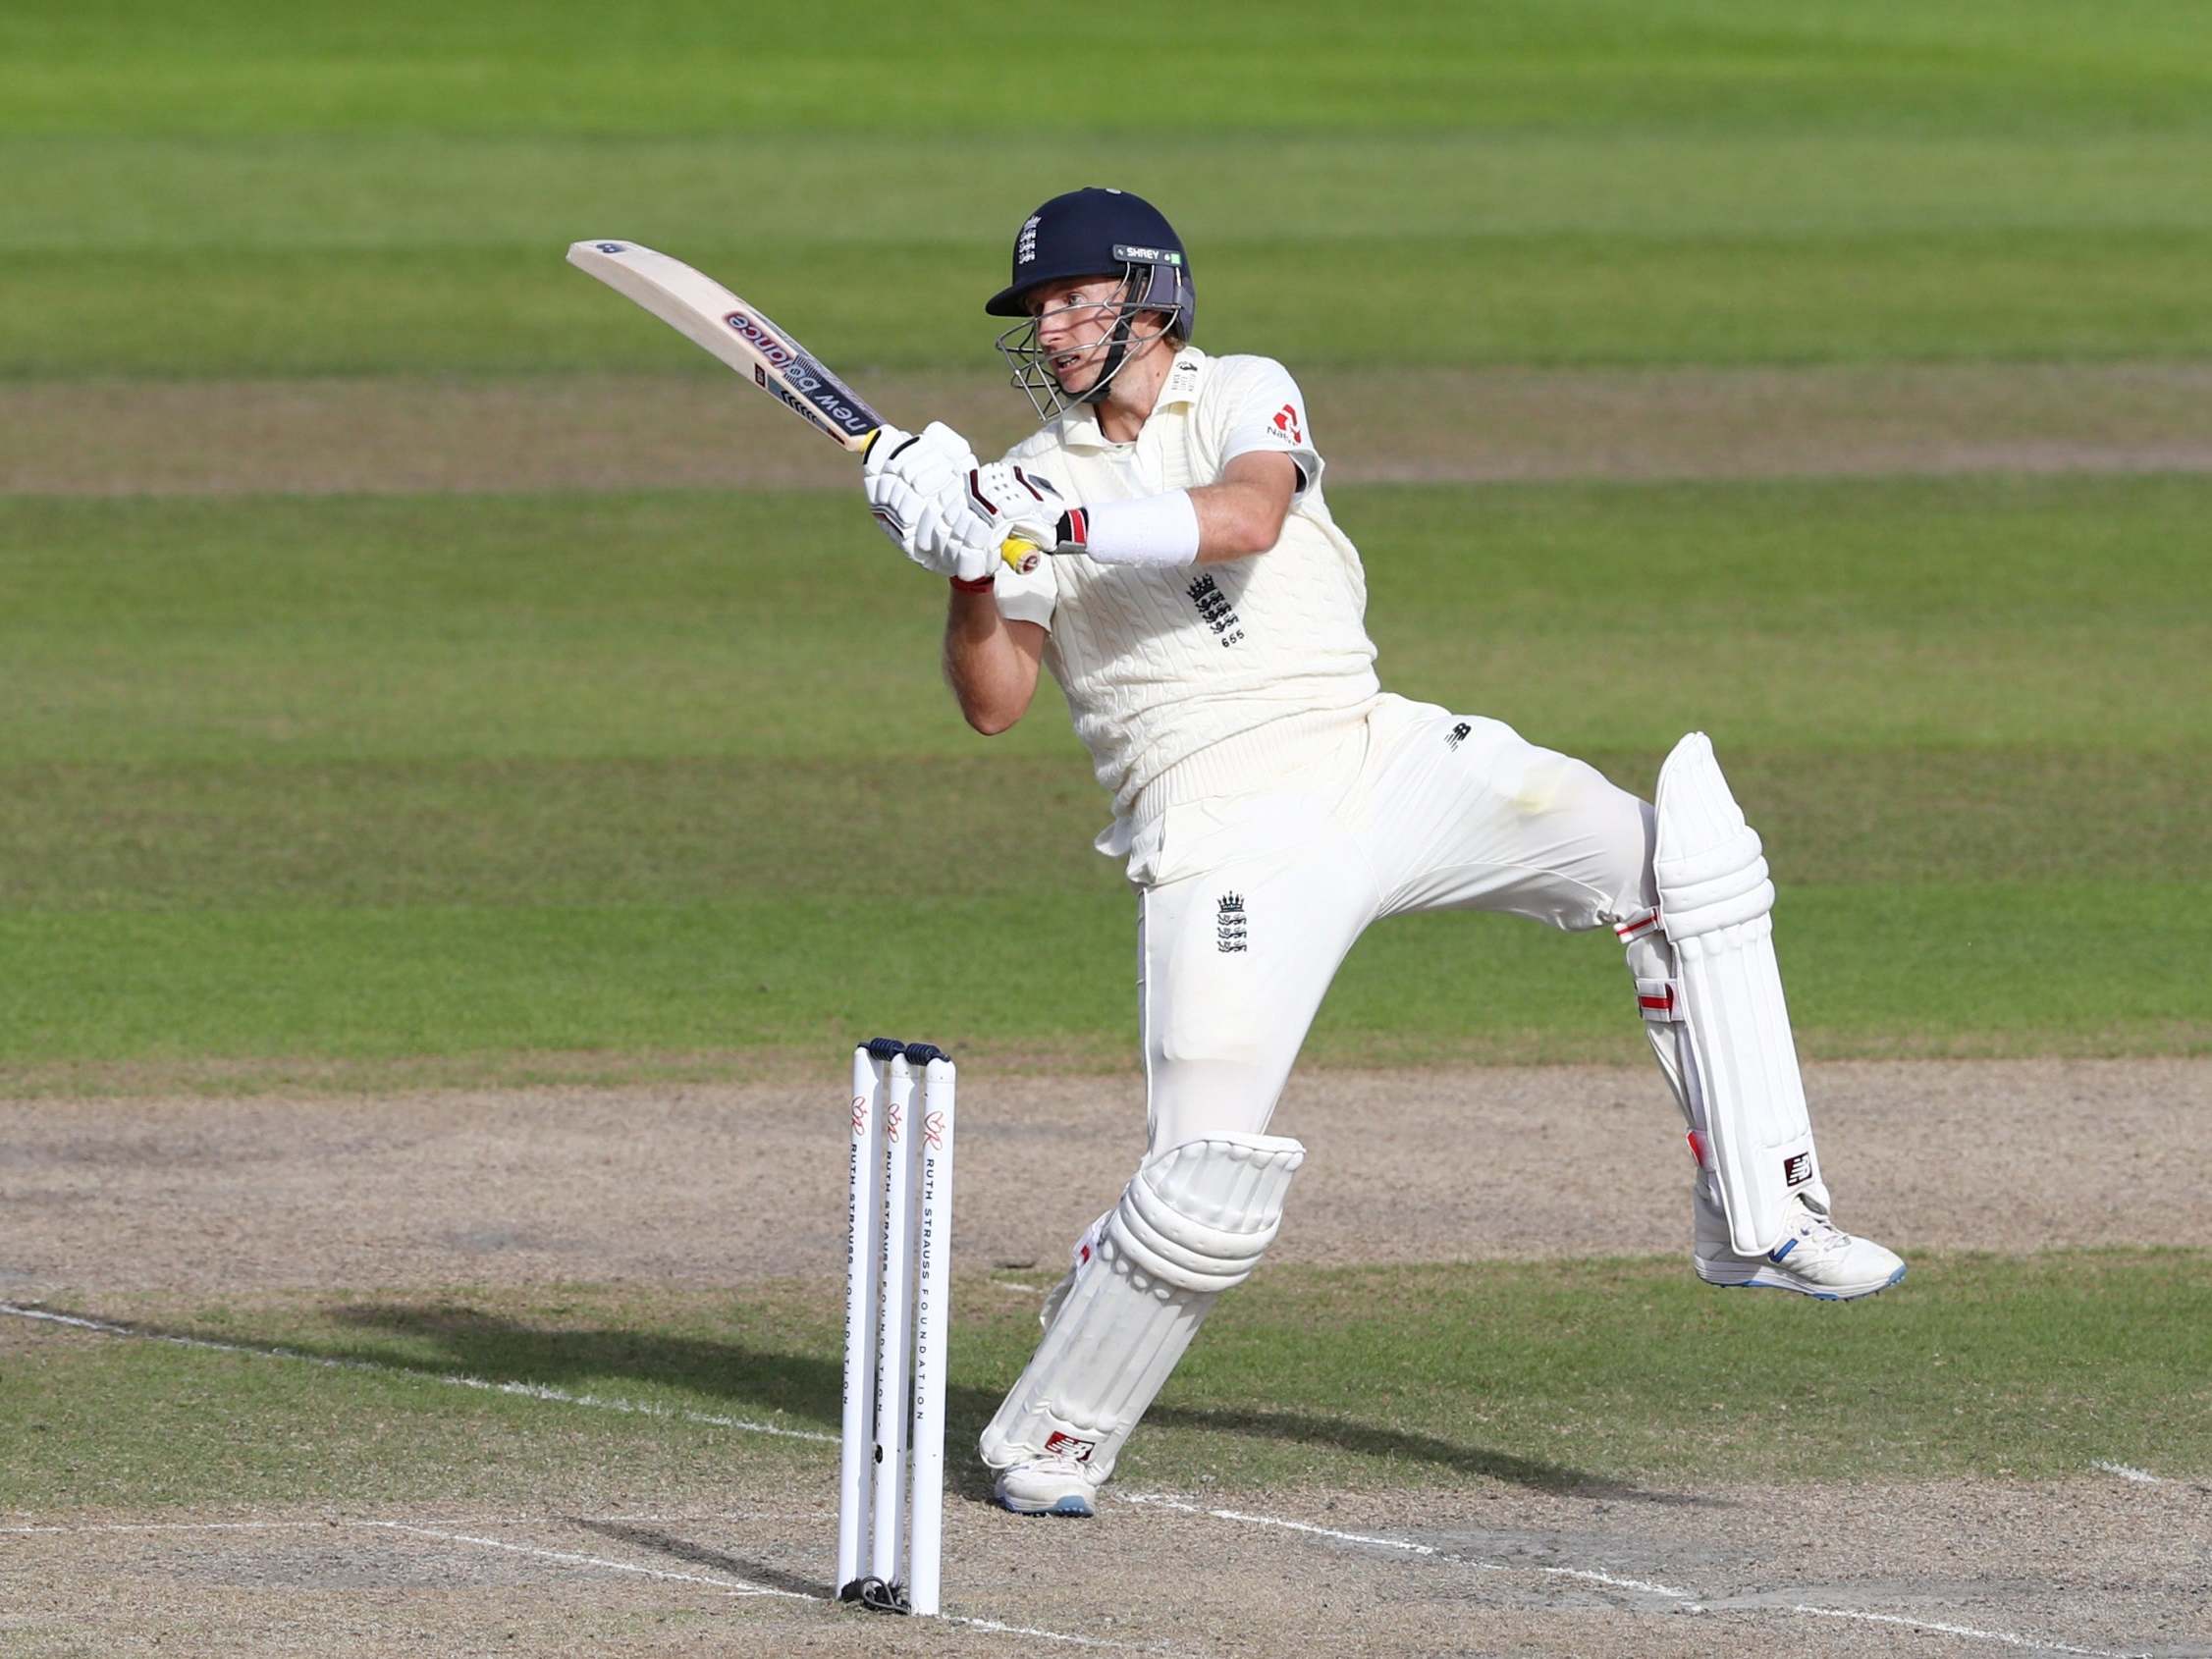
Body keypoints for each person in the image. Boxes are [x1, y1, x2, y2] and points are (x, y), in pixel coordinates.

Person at [857, 187, 1905, 1520]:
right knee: (1201, 1185)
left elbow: (1247, 518)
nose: (1053, 330)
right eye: (1038, 312)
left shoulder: (1239, 390)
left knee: (1672, 868)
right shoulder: (1027, 475)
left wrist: (1042, 524)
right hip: (1221, 824)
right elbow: (994, 702)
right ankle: (1056, 1431)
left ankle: (1763, 1214)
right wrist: (965, 562)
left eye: (1075, 301)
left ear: (1151, 294)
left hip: (1378, 751)